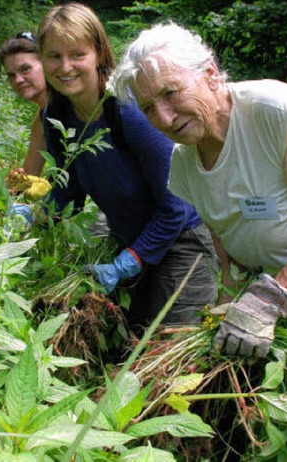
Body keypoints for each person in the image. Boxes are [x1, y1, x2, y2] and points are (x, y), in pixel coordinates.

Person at [109, 22, 287, 358]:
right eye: (148, 108)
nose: (164, 118)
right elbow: (229, 258)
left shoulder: (275, 112)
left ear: (210, 73)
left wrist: (276, 293)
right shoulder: (184, 166)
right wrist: (221, 320)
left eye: (171, 93)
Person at [33, 3, 219, 328]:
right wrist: (34, 219)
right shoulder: (55, 117)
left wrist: (127, 263)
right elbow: (69, 190)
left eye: (77, 54)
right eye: (54, 56)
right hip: (130, 240)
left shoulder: (127, 112)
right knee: (124, 340)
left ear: (99, 54)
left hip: (182, 239)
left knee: (171, 350)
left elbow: (176, 205)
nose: (65, 67)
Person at [0, 32, 48, 177]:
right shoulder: (41, 121)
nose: (18, 80)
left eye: (25, 69)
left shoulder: (76, 104)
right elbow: (29, 177)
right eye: (11, 75)